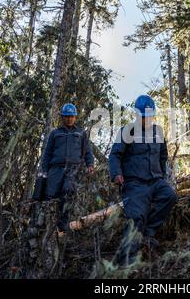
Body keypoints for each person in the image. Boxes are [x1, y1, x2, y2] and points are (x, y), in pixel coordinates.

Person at [108, 95, 177, 266]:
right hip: (134, 184)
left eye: (149, 115)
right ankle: (125, 261)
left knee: (169, 196)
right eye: (142, 116)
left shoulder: (158, 132)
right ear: (137, 114)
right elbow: (115, 155)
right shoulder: (127, 131)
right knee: (136, 216)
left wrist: (162, 175)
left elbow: (163, 156)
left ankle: (148, 232)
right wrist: (116, 173)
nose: (146, 118)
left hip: (155, 180)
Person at [41, 103, 94, 236]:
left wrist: (90, 165)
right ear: (62, 117)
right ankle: (46, 224)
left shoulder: (81, 133)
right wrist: (44, 170)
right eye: (66, 116)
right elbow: (47, 153)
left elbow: (87, 151)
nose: (69, 119)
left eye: (71, 116)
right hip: (55, 168)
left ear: (75, 117)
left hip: (73, 169)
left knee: (68, 191)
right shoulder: (55, 133)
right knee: (50, 195)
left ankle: (62, 223)